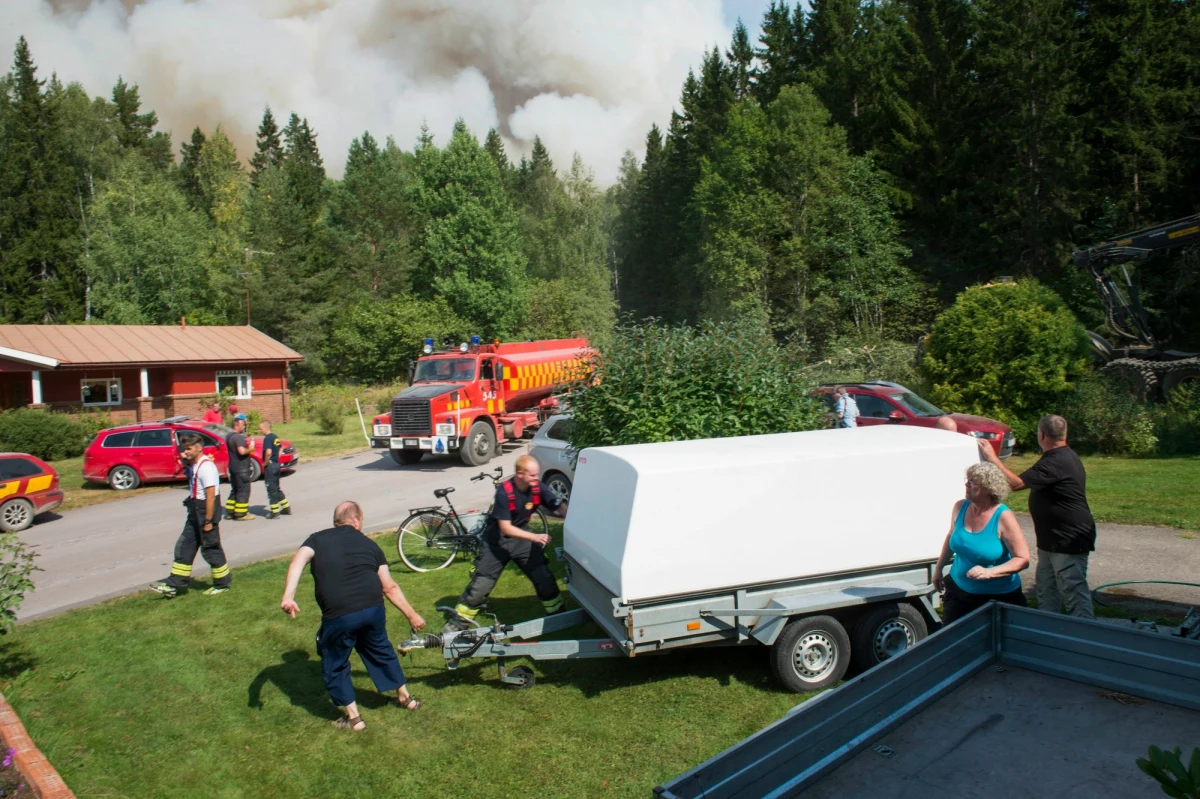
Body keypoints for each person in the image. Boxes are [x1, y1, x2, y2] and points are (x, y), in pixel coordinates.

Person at [280, 501, 426, 730]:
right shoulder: (371, 545)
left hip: (339, 616)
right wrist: (412, 615)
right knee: (381, 650)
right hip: (373, 611)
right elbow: (389, 587)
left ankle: (354, 719)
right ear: (357, 521)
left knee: (335, 662)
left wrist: (289, 595)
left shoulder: (317, 539)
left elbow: (298, 559)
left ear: (336, 521)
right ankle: (406, 698)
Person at [980, 414, 1096, 618]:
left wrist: (992, 458)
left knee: (1073, 594)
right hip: (1051, 539)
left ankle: (1084, 638)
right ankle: (1047, 632)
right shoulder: (1059, 456)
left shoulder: (1057, 461)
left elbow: (1016, 484)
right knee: (1046, 589)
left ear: (1041, 435)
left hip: (1068, 540)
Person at [444, 454, 569, 632]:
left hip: (521, 538)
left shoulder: (537, 487)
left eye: (537, 475)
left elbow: (559, 506)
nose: (536, 479)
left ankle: (559, 617)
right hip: (497, 542)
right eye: (532, 475)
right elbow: (505, 528)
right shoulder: (505, 491)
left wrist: (572, 519)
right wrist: (534, 537)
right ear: (520, 474)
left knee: (543, 577)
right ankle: (456, 624)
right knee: (481, 585)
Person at [933, 462, 1031, 624]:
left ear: (988, 488)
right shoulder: (960, 507)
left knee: (993, 645)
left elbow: (1022, 559)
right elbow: (951, 537)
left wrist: (989, 572)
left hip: (996, 599)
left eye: (971, 482)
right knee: (952, 641)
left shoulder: (1003, 517)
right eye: (967, 480)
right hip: (958, 591)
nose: (966, 484)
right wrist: (938, 568)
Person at [150, 433, 232, 597]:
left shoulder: (206, 467)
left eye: (188, 448)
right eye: (184, 448)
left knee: (210, 549)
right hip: (195, 510)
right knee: (184, 546)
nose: (185, 451)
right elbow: (186, 468)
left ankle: (222, 584)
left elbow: (211, 496)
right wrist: (183, 458)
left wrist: (208, 521)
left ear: (199, 447)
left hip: (205, 511)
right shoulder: (194, 464)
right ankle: (175, 584)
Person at [224, 414, 256, 521]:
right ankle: (241, 514)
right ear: (236, 425)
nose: (243, 426)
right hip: (242, 468)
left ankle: (230, 512)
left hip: (232, 467)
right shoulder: (238, 437)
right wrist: (251, 448)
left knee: (235, 489)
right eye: (242, 424)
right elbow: (242, 451)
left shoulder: (229, 436)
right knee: (243, 490)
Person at [258, 420, 291, 520]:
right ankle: (286, 508)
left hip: (271, 466)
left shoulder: (268, 438)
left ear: (266, 427)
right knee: (277, 488)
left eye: (260, 428)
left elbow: (268, 452)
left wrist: (266, 462)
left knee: (271, 489)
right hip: (276, 465)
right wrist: (276, 458)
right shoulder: (275, 437)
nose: (259, 430)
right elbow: (280, 449)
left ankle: (275, 512)